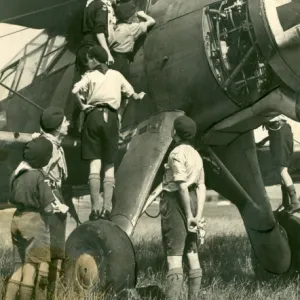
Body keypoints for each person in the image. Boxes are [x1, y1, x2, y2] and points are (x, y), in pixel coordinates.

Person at [72, 45, 145, 221]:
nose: (87, 62)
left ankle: (95, 208)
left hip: (93, 117)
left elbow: (75, 90)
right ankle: (107, 207)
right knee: (109, 164)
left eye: (89, 59)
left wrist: (83, 106)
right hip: (111, 119)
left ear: (95, 60)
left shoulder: (89, 76)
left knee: (94, 163)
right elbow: (132, 95)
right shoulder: (116, 75)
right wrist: (138, 95)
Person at [4, 137, 68, 300]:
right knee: (31, 270)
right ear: (44, 158)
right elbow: (47, 207)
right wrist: (55, 208)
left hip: (17, 220)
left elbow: (12, 199)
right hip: (34, 225)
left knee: (18, 268)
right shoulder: (40, 177)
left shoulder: (17, 174)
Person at [160, 115, 206, 300]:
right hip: (194, 200)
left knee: (174, 256)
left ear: (175, 133)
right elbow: (201, 185)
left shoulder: (175, 153)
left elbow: (181, 185)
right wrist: (197, 214)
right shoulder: (196, 154)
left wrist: (187, 215)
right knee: (192, 253)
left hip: (176, 201)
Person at [37, 107, 77, 300]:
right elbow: (41, 176)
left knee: (56, 249)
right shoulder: (48, 146)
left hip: (56, 196)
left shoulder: (55, 145)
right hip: (51, 198)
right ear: (56, 127)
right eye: (65, 121)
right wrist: (52, 201)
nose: (68, 124)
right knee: (51, 249)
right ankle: (45, 293)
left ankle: (51, 293)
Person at [257, 115, 300, 214]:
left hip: (278, 131)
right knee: (281, 170)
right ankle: (286, 203)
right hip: (281, 130)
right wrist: (265, 140)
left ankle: (294, 202)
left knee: (282, 170)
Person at [109, 2, 156, 79]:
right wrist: (142, 14)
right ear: (129, 18)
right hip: (122, 62)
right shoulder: (131, 28)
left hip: (113, 59)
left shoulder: (114, 28)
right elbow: (152, 21)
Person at [76, 0, 117, 74]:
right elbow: (99, 31)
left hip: (84, 47)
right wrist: (107, 54)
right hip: (95, 48)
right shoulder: (101, 6)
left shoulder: (89, 4)